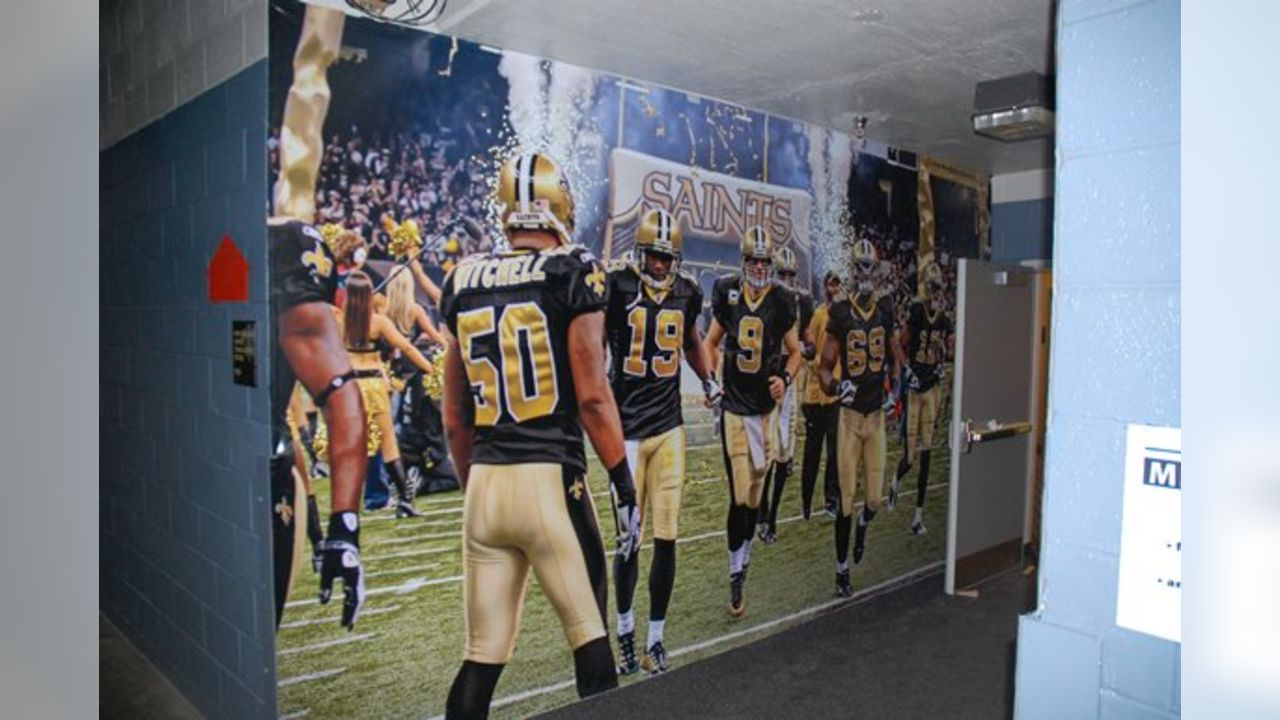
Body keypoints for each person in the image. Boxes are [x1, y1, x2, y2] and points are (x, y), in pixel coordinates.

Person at [439, 153, 638, 718]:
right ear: (557, 204)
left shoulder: (463, 278)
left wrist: (473, 483)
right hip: (549, 481)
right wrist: (623, 484)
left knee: (481, 659)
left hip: (485, 488)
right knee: (592, 639)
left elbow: (454, 415)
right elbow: (594, 396)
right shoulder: (572, 268)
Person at [606, 208, 719, 676]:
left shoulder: (687, 292)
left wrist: (708, 378)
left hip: (668, 426)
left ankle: (656, 637)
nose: (658, 265)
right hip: (626, 432)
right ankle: (625, 628)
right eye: (653, 256)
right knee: (628, 540)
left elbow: (692, 341)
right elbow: (593, 341)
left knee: (667, 537)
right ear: (640, 253)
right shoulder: (617, 287)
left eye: (665, 257)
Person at [703, 226, 803, 619]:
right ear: (743, 262)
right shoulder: (728, 291)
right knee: (739, 495)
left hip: (764, 411)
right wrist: (712, 380)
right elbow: (711, 342)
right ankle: (735, 573)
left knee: (755, 498)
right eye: (754, 261)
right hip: (734, 409)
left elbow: (795, 353)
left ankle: (744, 553)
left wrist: (786, 378)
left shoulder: (783, 300)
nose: (759, 267)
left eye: (764, 261)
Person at [817, 239, 908, 597]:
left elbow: (896, 353)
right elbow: (824, 369)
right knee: (846, 498)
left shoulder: (886, 308)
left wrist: (896, 390)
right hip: (851, 420)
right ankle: (841, 571)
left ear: (877, 268)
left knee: (872, 500)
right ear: (853, 270)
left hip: (876, 421)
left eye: (871, 266)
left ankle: (864, 527)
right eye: (860, 267)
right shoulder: (840, 312)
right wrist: (838, 387)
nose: (865, 273)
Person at [333, 271, 436, 518]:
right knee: (388, 444)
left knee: (352, 445)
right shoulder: (378, 322)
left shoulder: (339, 320)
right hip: (374, 384)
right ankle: (405, 501)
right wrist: (430, 368)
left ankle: (348, 505)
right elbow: (407, 347)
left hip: (350, 386)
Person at [889, 260, 954, 535]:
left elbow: (951, 348)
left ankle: (918, 516)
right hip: (916, 388)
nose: (936, 292)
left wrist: (945, 360)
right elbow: (898, 344)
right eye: (933, 287)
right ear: (927, 288)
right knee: (911, 455)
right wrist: (906, 370)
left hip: (932, 389)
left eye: (939, 288)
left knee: (927, 452)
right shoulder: (916, 311)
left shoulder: (946, 318)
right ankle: (895, 479)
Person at [756, 245, 813, 543]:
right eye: (783, 274)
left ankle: (772, 515)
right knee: (765, 452)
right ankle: (761, 512)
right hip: (765, 380)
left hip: (789, 383)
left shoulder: (803, 300)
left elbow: (809, 342)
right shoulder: (764, 298)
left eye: (791, 275)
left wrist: (807, 349)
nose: (787, 281)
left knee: (784, 455)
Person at [799, 271, 843, 520]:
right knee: (812, 452)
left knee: (834, 451)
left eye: (838, 283)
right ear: (825, 287)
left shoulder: (845, 317)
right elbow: (809, 349)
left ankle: (830, 499)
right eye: (831, 283)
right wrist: (820, 369)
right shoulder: (818, 315)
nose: (834, 287)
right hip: (816, 395)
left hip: (835, 396)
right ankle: (806, 502)